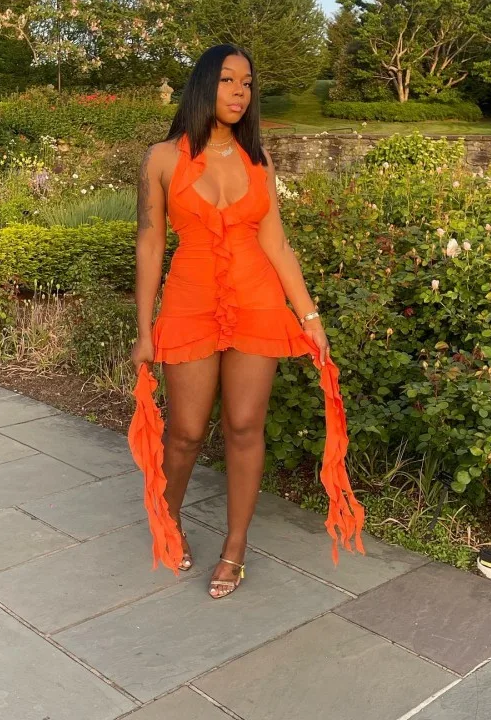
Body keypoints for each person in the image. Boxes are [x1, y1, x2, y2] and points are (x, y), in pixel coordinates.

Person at [129, 44, 362, 599]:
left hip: (257, 301)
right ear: (203, 85)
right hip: (189, 302)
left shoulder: (259, 160)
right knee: (185, 432)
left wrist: (309, 315)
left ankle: (235, 546)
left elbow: (276, 243)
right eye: (228, 80)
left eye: (248, 83)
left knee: (244, 427)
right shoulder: (162, 158)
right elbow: (150, 243)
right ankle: (168, 517)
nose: (240, 92)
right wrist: (143, 329)